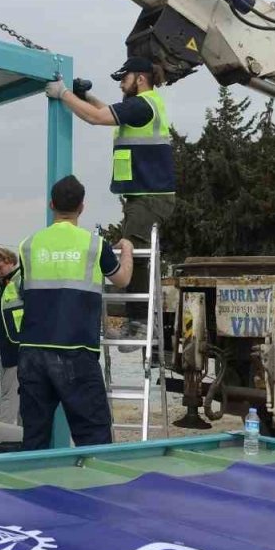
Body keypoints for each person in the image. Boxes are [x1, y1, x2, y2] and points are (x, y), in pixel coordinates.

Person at [47, 57, 173, 341]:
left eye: (124, 78)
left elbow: (96, 118)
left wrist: (63, 93)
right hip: (144, 195)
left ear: (140, 78)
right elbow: (103, 110)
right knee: (134, 252)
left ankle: (139, 323)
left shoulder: (142, 105)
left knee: (133, 254)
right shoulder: (144, 105)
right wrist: (85, 97)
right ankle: (138, 322)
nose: (121, 84)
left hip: (150, 196)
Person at [17, 175, 134, 450]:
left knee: (34, 438)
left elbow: (25, 291)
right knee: (93, 437)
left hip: (32, 351)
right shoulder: (94, 244)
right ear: (82, 207)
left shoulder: (28, 245)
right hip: (75, 350)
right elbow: (123, 279)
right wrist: (127, 250)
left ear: (51, 205)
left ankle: (31, 478)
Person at [0, 247, 23, 425]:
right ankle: (19, 429)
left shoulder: (19, 280)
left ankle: (5, 430)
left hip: (13, 344)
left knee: (10, 391)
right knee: (13, 389)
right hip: (3, 341)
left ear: (10, 262)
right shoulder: (5, 284)